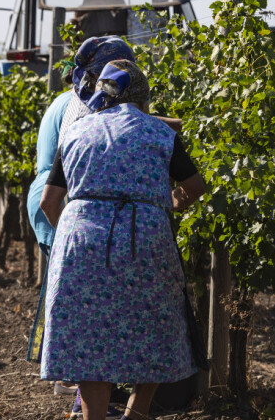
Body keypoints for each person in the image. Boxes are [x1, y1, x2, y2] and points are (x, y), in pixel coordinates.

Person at [40, 60, 205, 420]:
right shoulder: (159, 133)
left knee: (88, 332)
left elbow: (49, 201)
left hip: (81, 239)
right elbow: (195, 187)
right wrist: (165, 207)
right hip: (144, 235)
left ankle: (93, 417)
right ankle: (137, 412)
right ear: (143, 98)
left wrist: (72, 234)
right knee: (158, 322)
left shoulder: (77, 131)